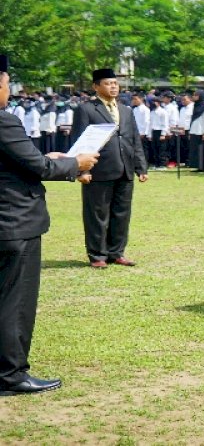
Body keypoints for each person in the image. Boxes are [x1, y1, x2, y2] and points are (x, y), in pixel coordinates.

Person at [0, 62, 100, 395]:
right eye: (7, 83)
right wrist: (76, 164)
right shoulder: (4, 121)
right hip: (14, 223)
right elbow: (38, 167)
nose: (9, 89)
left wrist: (52, 158)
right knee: (15, 303)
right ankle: (11, 375)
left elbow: (20, 161)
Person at [72, 68, 149, 268]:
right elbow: (79, 141)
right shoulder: (86, 109)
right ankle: (97, 255)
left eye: (115, 83)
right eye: (108, 83)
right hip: (98, 170)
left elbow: (134, 140)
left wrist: (141, 167)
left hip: (125, 168)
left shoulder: (126, 110)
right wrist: (82, 170)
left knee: (122, 213)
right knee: (97, 214)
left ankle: (116, 252)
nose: (113, 87)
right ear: (96, 86)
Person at [188, 90, 204, 171]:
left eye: (196, 95)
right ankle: (198, 166)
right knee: (195, 150)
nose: (193, 97)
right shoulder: (195, 105)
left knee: (201, 150)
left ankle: (203, 167)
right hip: (194, 130)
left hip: (201, 131)